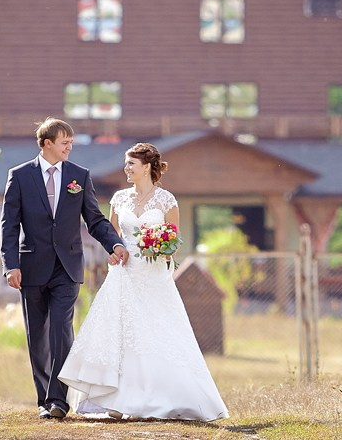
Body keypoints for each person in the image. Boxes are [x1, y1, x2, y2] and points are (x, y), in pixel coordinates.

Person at [58, 142, 228, 422]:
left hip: (153, 275)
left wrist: (160, 247)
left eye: (131, 164)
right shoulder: (119, 199)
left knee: (153, 334)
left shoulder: (166, 201)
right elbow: (110, 236)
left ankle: (151, 400)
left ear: (147, 167)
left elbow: (173, 240)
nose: (126, 168)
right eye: (126, 164)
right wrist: (112, 254)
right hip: (124, 274)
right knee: (121, 333)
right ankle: (115, 400)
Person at [0, 118, 128, 420]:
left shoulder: (79, 176)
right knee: (38, 336)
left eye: (71, 142)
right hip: (31, 267)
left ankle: (58, 400)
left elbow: (94, 219)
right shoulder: (19, 176)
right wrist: (10, 266)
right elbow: (9, 226)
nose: (70, 147)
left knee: (61, 329)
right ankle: (43, 399)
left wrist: (114, 244)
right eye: (65, 142)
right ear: (47, 144)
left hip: (67, 267)